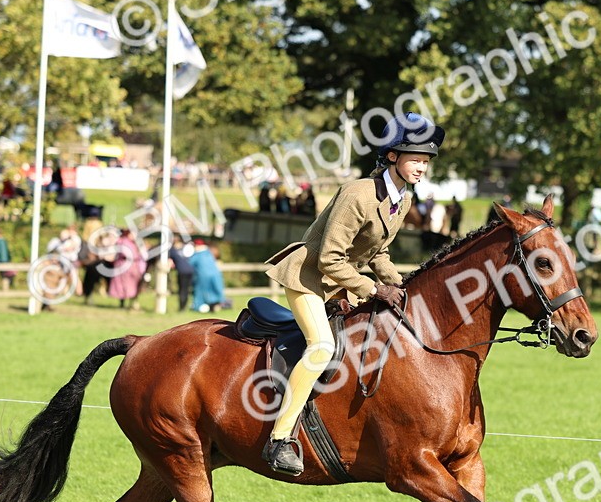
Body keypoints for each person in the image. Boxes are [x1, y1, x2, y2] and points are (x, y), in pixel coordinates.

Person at [261, 111, 443, 475]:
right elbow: (329, 258)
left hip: (343, 280)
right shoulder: (357, 193)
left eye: (426, 161)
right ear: (392, 156)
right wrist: (375, 288)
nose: (422, 167)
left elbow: (378, 252)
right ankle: (279, 439)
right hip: (308, 278)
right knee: (322, 347)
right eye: (416, 159)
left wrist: (403, 286)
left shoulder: (402, 197)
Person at [108, 228, 146, 309]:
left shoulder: (134, 243)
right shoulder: (123, 242)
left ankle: (132, 302)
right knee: (122, 285)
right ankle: (123, 303)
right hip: (124, 265)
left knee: (133, 285)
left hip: (133, 266)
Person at [190, 239, 226, 313]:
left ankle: (198, 306)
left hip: (203, 276)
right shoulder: (209, 253)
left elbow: (190, 263)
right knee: (215, 291)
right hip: (216, 275)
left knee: (201, 291)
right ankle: (216, 305)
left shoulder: (197, 255)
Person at [169, 238, 196, 312]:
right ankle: (184, 306)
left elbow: (170, 260)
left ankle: (182, 308)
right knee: (187, 290)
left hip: (182, 271)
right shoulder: (187, 248)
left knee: (182, 290)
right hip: (190, 271)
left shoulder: (173, 250)